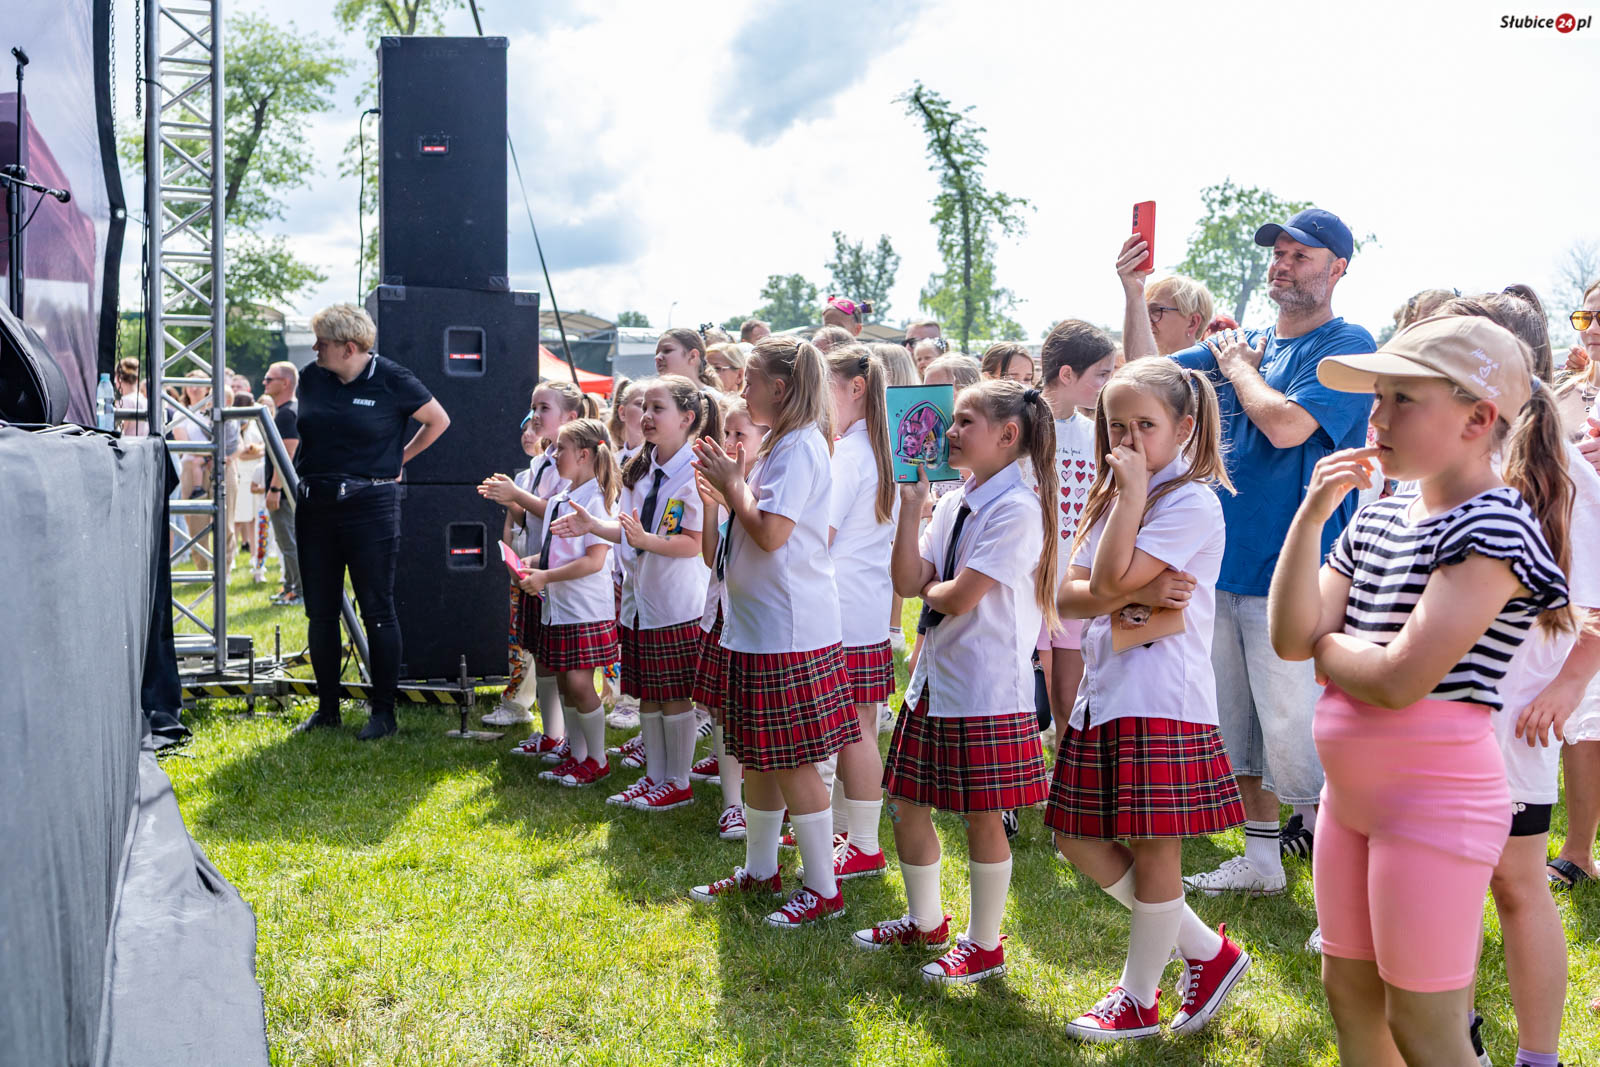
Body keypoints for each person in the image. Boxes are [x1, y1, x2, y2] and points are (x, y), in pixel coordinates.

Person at [1268, 314, 1570, 1062]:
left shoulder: (1495, 525)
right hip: (1349, 803)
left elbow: (1399, 679)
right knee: (1351, 998)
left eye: (1403, 399)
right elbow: (1289, 636)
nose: (1377, 417)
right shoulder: (1379, 518)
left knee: (1424, 1024)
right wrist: (1309, 516)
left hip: (1433, 803)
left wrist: (1328, 648)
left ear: (1478, 419)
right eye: (1379, 397)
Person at [1123, 208, 1376, 897]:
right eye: (1278, 253)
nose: (1282, 265)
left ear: (1338, 269)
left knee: (1304, 736)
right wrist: (1134, 291)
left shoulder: (1347, 344)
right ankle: (1262, 861)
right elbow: (1142, 378)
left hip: (1297, 577)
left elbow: (1288, 426)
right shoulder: (1250, 342)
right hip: (1225, 570)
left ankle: (1346, 887)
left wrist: (1236, 368)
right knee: (1238, 730)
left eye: (1301, 255)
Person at [1050, 359, 1249, 1041]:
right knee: (1076, 836)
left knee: (1156, 848)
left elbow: (1103, 584)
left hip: (1162, 695)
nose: (1129, 439)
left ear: (1184, 427)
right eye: (1117, 426)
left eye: (1146, 425)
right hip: (1106, 692)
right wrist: (1135, 589)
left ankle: (1137, 998)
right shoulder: (1111, 496)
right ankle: (1206, 951)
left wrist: (1120, 572)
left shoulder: (1190, 500)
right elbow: (1069, 596)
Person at [852, 379, 1056, 985]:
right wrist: (911, 506)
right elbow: (907, 578)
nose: (950, 431)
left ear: (1007, 435)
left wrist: (930, 586)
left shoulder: (1017, 509)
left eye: (965, 421)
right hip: (936, 683)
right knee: (905, 804)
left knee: (981, 818)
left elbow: (959, 596)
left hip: (984, 688)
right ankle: (925, 921)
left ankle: (984, 945)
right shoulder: (952, 502)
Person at [687, 336, 858, 928]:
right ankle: (760, 872)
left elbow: (772, 534)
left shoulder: (800, 446)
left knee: (794, 761)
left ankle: (823, 890)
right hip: (760, 628)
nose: (742, 388)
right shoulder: (784, 443)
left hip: (789, 632)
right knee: (756, 755)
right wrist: (730, 488)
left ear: (780, 388)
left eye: (751, 379)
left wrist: (731, 485)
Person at [553, 376, 719, 811]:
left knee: (674, 695)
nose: (646, 416)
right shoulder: (637, 468)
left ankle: (677, 781)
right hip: (637, 604)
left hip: (675, 602)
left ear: (687, 417)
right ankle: (654, 777)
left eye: (658, 408)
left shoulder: (695, 471)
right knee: (648, 693)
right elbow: (627, 532)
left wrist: (646, 541)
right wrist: (595, 526)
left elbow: (693, 543)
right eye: (644, 407)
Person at [289, 304, 451, 740]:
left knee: (377, 609)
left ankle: (383, 714)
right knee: (320, 611)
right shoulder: (311, 377)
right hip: (315, 505)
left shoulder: (392, 378)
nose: (315, 348)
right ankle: (327, 710)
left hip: (369, 506)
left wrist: (401, 458)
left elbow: (438, 420)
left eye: (322, 342)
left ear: (349, 348)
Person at [816, 345, 898, 882]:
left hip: (841, 607)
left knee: (854, 730)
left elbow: (818, 535)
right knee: (859, 725)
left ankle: (863, 844)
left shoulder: (850, 453)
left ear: (856, 387)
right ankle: (847, 833)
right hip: (864, 604)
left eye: (826, 385)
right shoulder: (879, 448)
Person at [485, 382, 597, 745]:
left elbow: (556, 514)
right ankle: (552, 734)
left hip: (556, 575)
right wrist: (511, 503)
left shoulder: (568, 465)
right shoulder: (538, 462)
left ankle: (573, 743)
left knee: (563, 665)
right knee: (543, 657)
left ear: (570, 416)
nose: (534, 415)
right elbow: (527, 518)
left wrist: (517, 495)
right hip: (534, 569)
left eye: (544, 408)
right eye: (533, 407)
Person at [517, 418, 620, 788]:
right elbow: (556, 552)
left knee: (579, 683)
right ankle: (577, 756)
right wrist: (531, 563)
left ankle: (598, 759)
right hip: (558, 608)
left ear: (584, 455)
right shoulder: (561, 497)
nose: (553, 453)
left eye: (561, 448)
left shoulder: (596, 500)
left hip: (584, 609)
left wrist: (545, 576)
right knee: (565, 682)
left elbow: (594, 561)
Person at [1035, 321, 1118, 738]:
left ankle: (1066, 771)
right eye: (1101, 374)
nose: (1107, 384)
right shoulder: (1020, 429)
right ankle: (1021, 773)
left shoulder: (1097, 436)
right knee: (1030, 695)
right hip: (1024, 583)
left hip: (1073, 583)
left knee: (1070, 696)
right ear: (1067, 373)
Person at [691, 398, 767, 841]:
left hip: (753, 612)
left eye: (741, 434)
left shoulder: (764, 484)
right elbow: (710, 557)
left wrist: (730, 498)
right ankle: (731, 804)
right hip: (721, 610)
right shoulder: (724, 483)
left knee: (754, 711)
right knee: (722, 708)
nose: (730, 442)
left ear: (764, 439)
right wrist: (710, 505)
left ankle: (765, 804)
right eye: (727, 433)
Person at [484, 414, 548, 728]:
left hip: (545, 571)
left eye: (535, 427)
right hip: (521, 570)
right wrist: (510, 556)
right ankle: (517, 702)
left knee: (542, 645)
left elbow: (548, 515)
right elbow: (514, 523)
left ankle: (548, 710)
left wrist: (514, 498)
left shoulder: (556, 474)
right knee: (519, 640)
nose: (527, 434)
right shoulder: (523, 477)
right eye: (524, 428)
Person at [262, 360, 302, 606]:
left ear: (285, 383)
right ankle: (289, 587)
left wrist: (275, 488)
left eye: (269, 379)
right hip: (284, 490)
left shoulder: (288, 414)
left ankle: (298, 591)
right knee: (285, 541)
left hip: (284, 491)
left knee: (289, 543)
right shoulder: (287, 411)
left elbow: (287, 454)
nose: (264, 382)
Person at [1122, 273, 1215, 357]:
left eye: (1156, 310)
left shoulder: (1216, 369)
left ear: (1192, 323)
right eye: (1144, 311)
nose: (1145, 319)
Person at [654, 328, 722, 391]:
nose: (657, 357)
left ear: (693, 356)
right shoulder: (653, 395)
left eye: (667, 350)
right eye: (657, 353)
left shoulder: (713, 398)